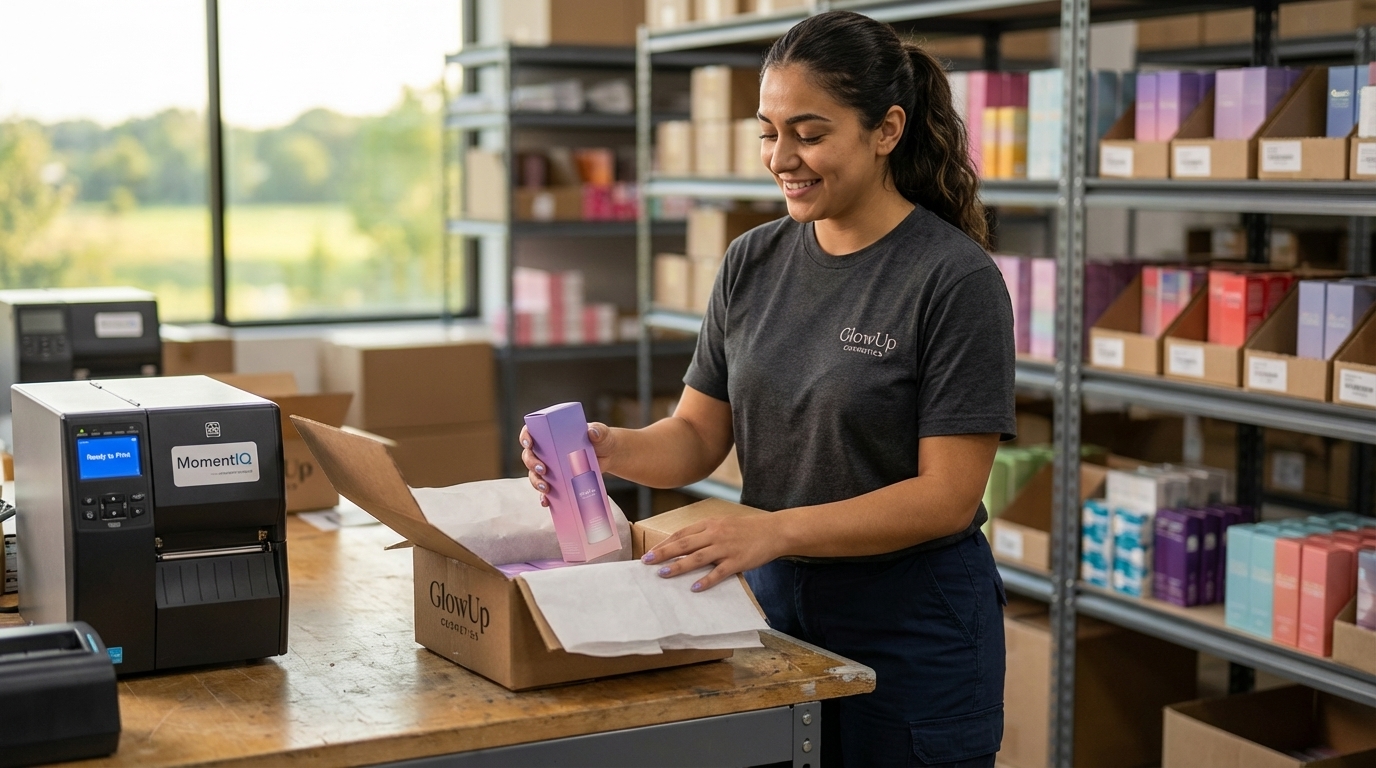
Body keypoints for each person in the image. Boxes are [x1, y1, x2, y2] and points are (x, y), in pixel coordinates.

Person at [521, 10, 1014, 767]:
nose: (782, 158)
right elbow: (696, 436)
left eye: (809, 134)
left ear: (886, 130)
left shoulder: (952, 279)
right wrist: (609, 450)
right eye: (768, 132)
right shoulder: (751, 261)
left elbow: (946, 496)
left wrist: (774, 530)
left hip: (914, 626)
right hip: (775, 605)